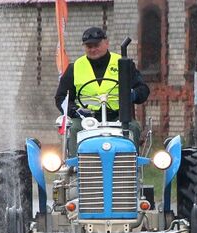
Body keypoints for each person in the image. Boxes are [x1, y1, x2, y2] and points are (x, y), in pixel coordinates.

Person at [54, 26, 150, 155]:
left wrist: (133, 95)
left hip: (118, 116)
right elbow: (61, 98)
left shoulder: (123, 64)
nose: (93, 49)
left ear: (106, 43)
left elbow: (143, 89)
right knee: (74, 128)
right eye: (89, 46)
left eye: (97, 45)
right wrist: (74, 110)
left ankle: (130, 168)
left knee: (132, 128)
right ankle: (75, 168)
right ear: (84, 47)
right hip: (85, 118)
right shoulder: (75, 67)